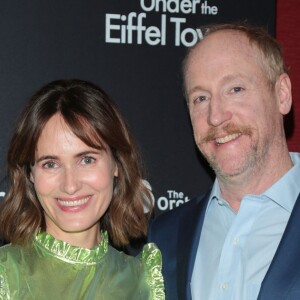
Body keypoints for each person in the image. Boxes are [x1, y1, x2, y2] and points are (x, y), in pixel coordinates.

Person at [148, 22, 300, 300]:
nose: (215, 116)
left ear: (282, 94)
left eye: (235, 89)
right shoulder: (165, 237)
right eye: (201, 98)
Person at [0, 79, 165, 299]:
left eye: (86, 160)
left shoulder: (141, 283)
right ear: (30, 173)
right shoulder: (7, 275)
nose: (70, 185)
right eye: (50, 164)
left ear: (116, 163)